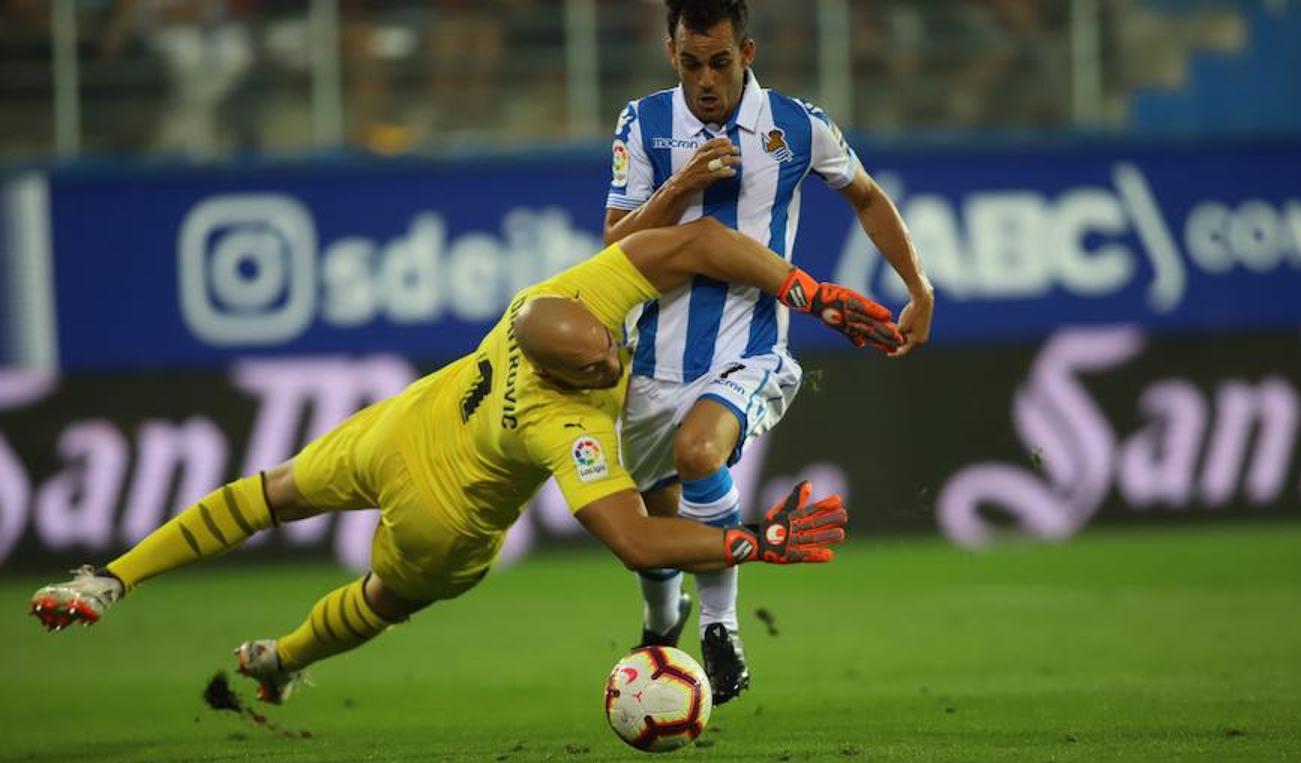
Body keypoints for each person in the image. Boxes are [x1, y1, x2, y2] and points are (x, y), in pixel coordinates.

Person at [29, 216, 900, 705]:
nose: (610, 364)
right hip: (443, 512)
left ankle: (244, 642)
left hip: (408, 415)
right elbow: (634, 539)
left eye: (606, 350)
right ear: (560, 377)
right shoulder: (559, 423)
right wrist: (755, 541)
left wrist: (808, 291)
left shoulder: (563, 297)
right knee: (363, 577)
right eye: (593, 367)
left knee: (276, 491)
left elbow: (696, 242)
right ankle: (137, 591)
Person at [604, 0, 934, 704]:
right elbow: (615, 243)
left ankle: (721, 630)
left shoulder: (797, 125)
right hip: (651, 366)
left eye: (719, 62)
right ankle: (668, 615)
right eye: (691, 64)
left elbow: (868, 198)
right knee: (659, 537)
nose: (705, 81)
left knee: (700, 454)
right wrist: (682, 183)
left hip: (748, 354)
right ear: (672, 54)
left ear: (746, 52)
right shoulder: (644, 123)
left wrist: (917, 284)